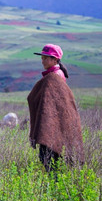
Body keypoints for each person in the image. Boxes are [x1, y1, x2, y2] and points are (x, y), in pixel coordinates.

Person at [27, 44, 83, 173]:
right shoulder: (52, 75)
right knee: (48, 158)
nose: (43, 61)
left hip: (53, 125)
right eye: (42, 58)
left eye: (46, 58)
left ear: (55, 60)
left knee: (48, 158)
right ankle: (55, 184)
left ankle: (55, 185)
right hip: (52, 123)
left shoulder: (54, 76)